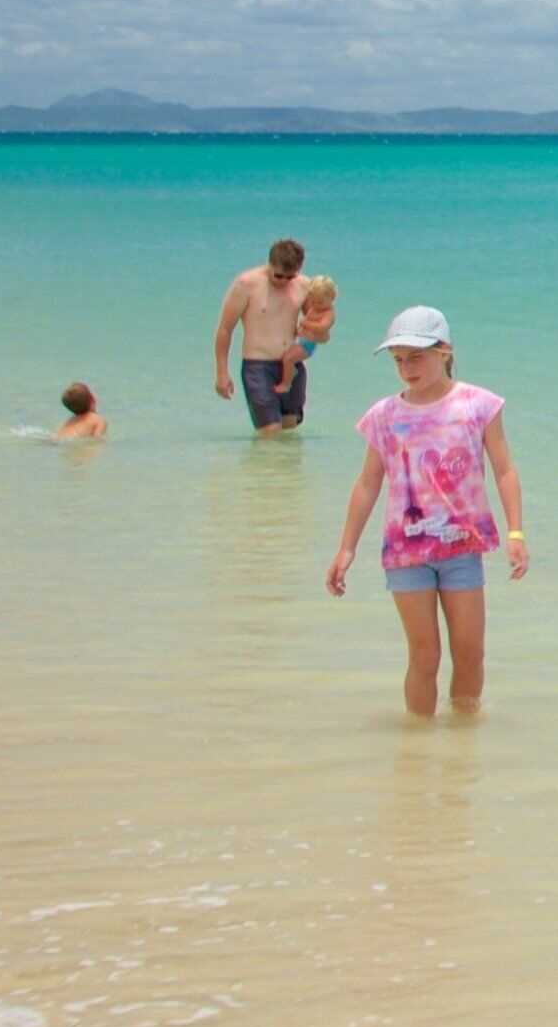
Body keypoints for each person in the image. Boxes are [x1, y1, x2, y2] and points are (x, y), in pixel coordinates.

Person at [325, 307, 525, 719]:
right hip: (406, 553)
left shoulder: (478, 405)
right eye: (398, 359)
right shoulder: (384, 415)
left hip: (461, 550)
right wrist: (346, 549)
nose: (406, 368)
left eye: (416, 356)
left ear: (444, 351)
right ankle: (416, 750)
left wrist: (516, 533)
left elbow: (504, 470)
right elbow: (367, 484)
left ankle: (461, 744)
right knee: (424, 657)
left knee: (470, 654)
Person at [212, 238, 312, 435]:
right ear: (270, 263)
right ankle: (259, 466)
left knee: (289, 430)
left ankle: (283, 467)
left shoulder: (304, 286)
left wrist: (311, 344)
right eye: (279, 276)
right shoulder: (246, 284)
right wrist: (222, 373)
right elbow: (225, 329)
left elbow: (316, 325)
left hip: (291, 365)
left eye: (290, 277)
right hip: (258, 366)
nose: (284, 282)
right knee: (270, 430)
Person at [280, 276, 339, 389]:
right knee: (286, 356)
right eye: (313, 302)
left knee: (288, 358)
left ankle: (286, 384)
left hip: (307, 346)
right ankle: (291, 372)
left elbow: (323, 327)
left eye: (320, 302)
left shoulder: (328, 313)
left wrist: (306, 323)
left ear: (332, 297)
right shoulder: (317, 308)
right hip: (301, 340)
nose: (316, 305)